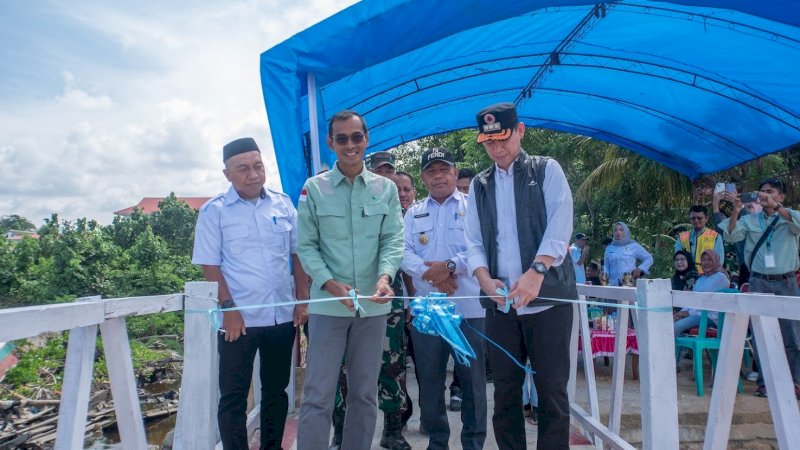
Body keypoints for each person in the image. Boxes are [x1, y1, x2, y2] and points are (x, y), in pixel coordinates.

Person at [465, 102, 577, 449]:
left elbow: (560, 226)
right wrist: (484, 279)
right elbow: (473, 241)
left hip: (548, 304)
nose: (497, 148)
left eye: (503, 138)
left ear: (520, 131)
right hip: (501, 308)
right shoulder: (479, 185)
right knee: (505, 394)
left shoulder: (546, 170)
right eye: (489, 142)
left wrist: (537, 271)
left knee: (552, 395)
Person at [192, 137, 310, 450]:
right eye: (243, 169)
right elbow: (210, 265)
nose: (253, 174)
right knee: (233, 395)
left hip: (281, 315)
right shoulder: (214, 211)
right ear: (227, 173)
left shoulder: (283, 204)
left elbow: (298, 253)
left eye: (258, 166)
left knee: (276, 390)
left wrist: (301, 298)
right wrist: (229, 309)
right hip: (238, 321)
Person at [296, 110, 404, 450]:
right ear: (331, 143)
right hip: (329, 307)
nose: (350, 145)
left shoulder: (385, 189)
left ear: (366, 139)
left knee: (364, 393)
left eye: (356, 137)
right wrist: (329, 283)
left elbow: (393, 240)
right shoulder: (314, 189)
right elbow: (306, 246)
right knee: (318, 394)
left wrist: (385, 277)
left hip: (372, 308)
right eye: (341, 138)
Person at [402, 147, 487, 450]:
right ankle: (438, 442)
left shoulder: (474, 206)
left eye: (444, 170)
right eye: (431, 171)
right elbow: (404, 253)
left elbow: (481, 246)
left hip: (469, 309)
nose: (438, 176)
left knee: (473, 383)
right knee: (430, 382)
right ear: (423, 177)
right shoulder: (414, 212)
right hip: (429, 312)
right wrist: (434, 276)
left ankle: (473, 443)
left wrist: (450, 267)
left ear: (454, 172)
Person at [327, 150, 412, 450]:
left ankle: (393, 430)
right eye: (380, 171)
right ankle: (341, 431)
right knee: (343, 368)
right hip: (348, 296)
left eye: (390, 171)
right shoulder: (349, 202)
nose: (386, 176)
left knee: (391, 364)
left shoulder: (399, 210)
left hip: (388, 298)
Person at [720, 178, 800, 399]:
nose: (764, 195)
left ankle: (794, 382)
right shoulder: (751, 219)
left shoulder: (791, 216)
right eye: (762, 191)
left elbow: (798, 226)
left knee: (792, 336)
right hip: (758, 281)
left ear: (781, 197)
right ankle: (765, 383)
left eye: (770, 192)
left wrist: (776, 207)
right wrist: (736, 211)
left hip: (787, 282)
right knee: (761, 335)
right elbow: (730, 235)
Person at [673, 250, 729, 335]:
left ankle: (678, 349)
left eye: (709, 260)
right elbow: (692, 300)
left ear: (715, 261)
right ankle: (681, 348)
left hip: (710, 317)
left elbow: (710, 303)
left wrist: (689, 313)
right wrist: (681, 312)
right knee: (668, 322)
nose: (706, 263)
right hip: (696, 315)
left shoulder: (720, 278)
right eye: (703, 260)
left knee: (676, 326)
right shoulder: (701, 279)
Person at [675, 205, 724, 273]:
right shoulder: (682, 237)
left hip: (708, 276)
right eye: (693, 218)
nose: (696, 220)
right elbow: (678, 260)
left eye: (699, 218)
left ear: (706, 218)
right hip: (687, 276)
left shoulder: (716, 237)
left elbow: (719, 261)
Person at [603, 222, 653, 286]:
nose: (618, 232)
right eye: (615, 230)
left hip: (628, 281)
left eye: (621, 230)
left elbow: (649, 258)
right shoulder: (609, 248)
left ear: (626, 231)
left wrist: (640, 268)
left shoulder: (634, 246)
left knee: (627, 294)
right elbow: (606, 266)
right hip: (612, 284)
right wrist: (604, 278)